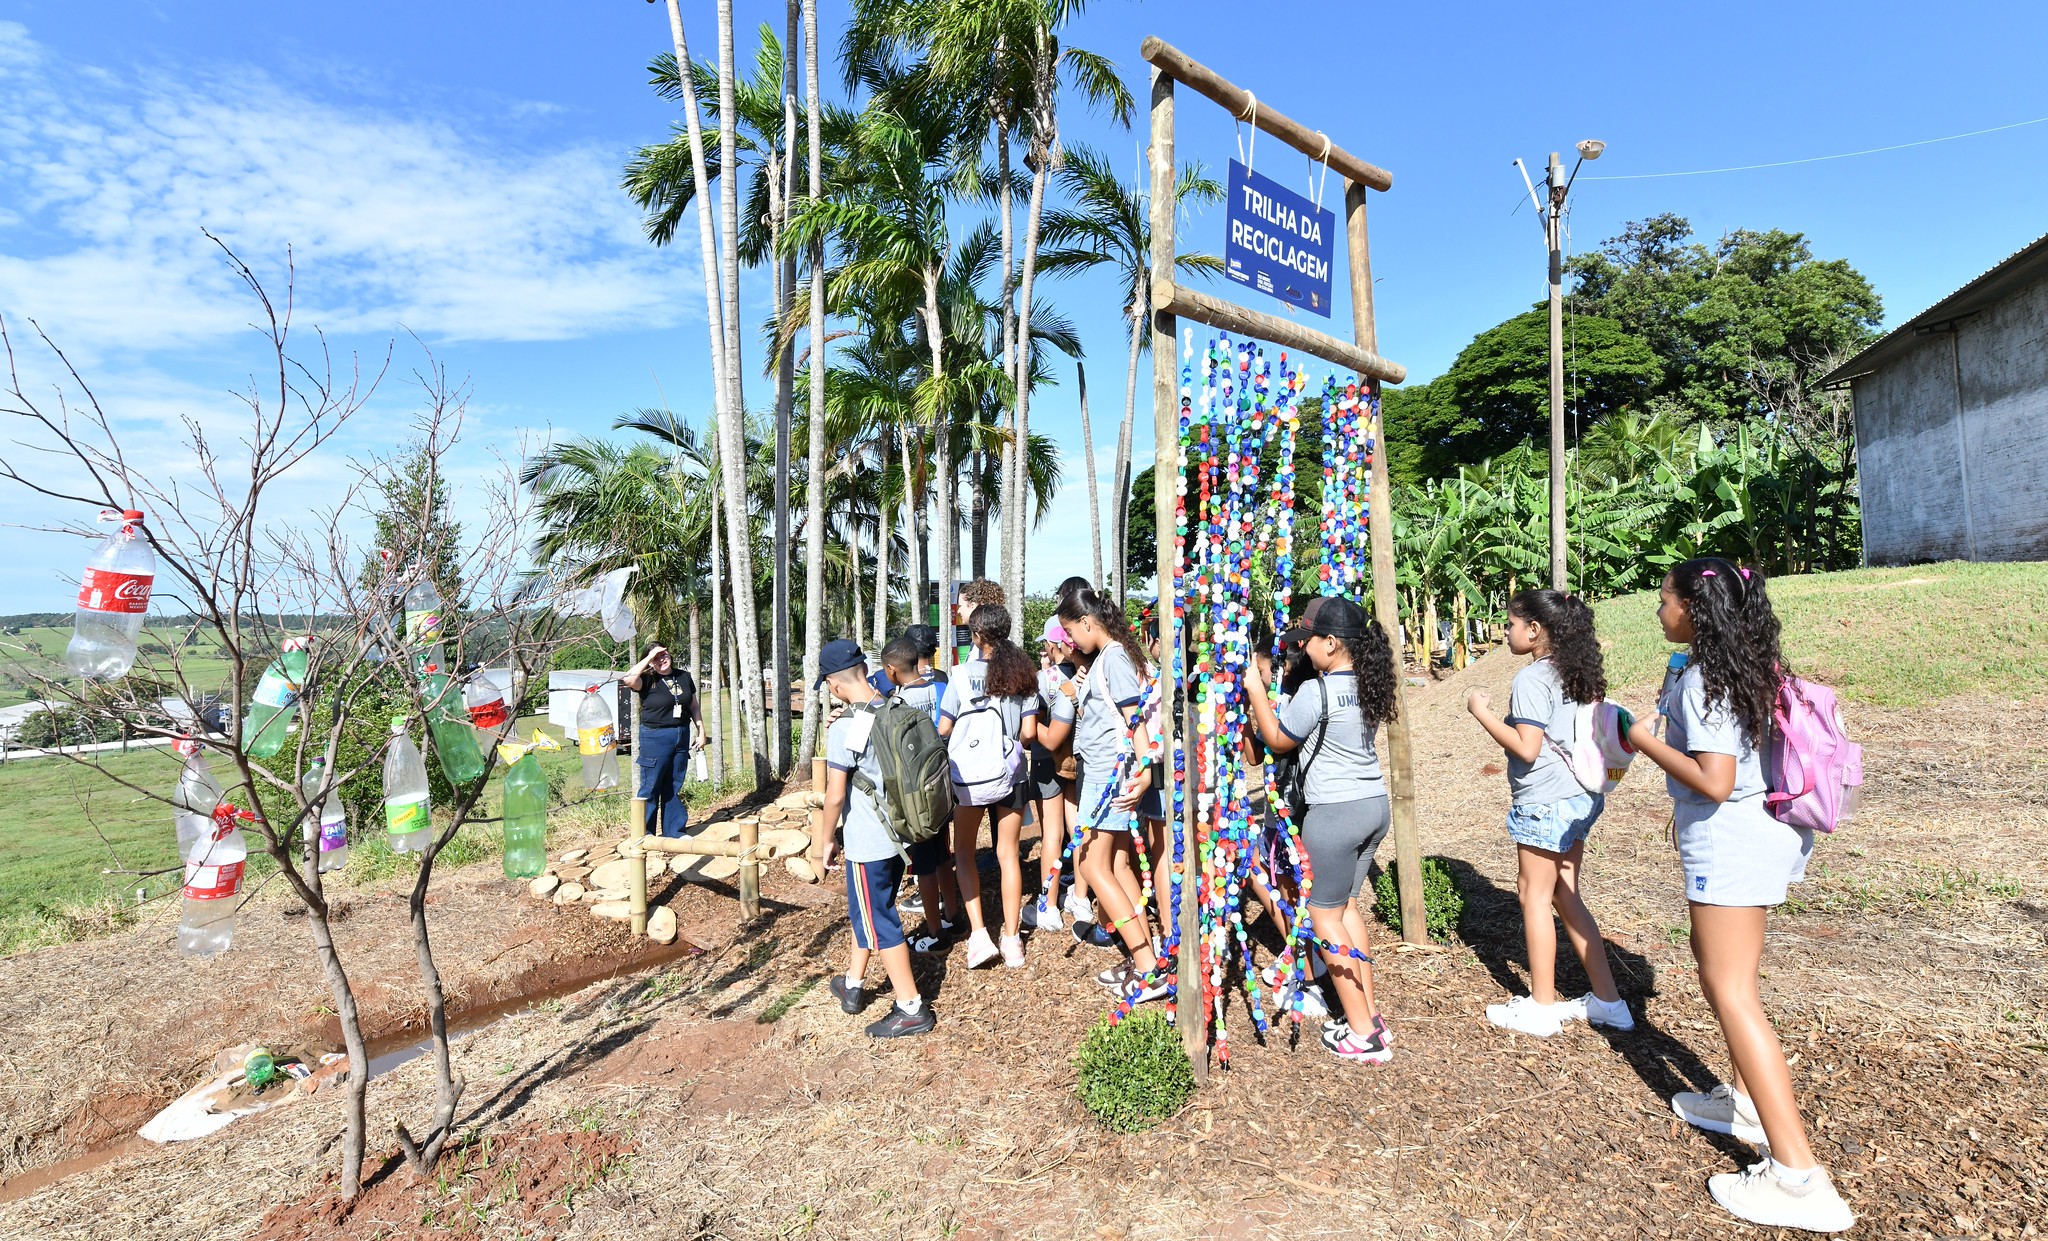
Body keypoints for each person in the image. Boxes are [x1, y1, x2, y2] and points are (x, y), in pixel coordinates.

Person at [1624, 560, 1853, 1232]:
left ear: (1694, 609)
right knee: (1722, 975)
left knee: (1732, 991)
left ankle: (1798, 1178)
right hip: (1755, 836)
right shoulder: (1742, 664)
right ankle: (1747, 1106)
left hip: (1731, 843)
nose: (1658, 610)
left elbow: (1716, 779)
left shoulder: (1706, 679)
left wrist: (1639, 739)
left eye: (1664, 599)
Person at [1465, 589, 1633, 1037]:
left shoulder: (1533, 679)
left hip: (1545, 801)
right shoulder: (1578, 672)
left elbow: (1527, 747)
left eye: (1511, 624)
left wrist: (1480, 712)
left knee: (1533, 896)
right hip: (1579, 796)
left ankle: (1541, 1007)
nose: (1506, 631)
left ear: (1535, 630)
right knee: (1565, 893)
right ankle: (1609, 1002)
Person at [1243, 597, 1396, 1065]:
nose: (1303, 649)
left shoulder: (1318, 691)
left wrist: (1255, 690)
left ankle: (1363, 1033)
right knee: (1346, 909)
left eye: (1308, 640)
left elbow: (1276, 740)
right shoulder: (1367, 684)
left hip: (1334, 813)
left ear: (1331, 643)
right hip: (1373, 805)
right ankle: (1369, 1015)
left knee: (1323, 917)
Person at [809, 638, 935, 1039]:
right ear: (865, 670)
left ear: (834, 684)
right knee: (870, 908)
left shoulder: (846, 726)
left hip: (868, 842)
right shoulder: (893, 706)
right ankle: (853, 983)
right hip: (900, 834)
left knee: (880, 919)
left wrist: (824, 842)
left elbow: (834, 795)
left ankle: (911, 1007)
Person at [1050, 586, 1169, 1006]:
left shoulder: (1114, 656)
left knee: (1091, 863)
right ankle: (1146, 957)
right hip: (1107, 772)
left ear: (1087, 621)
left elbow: (1135, 721)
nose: (1069, 641)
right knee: (1115, 864)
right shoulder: (1107, 657)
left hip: (1109, 776)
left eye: (1070, 631)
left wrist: (1144, 771)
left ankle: (1147, 967)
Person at [937, 604, 1038, 968]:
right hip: (1011, 775)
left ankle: (979, 935)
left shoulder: (960, 676)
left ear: (977, 636)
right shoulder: (1024, 675)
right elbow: (1029, 733)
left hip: (969, 777)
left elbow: (944, 728)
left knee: (964, 851)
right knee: (1008, 854)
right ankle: (1012, 940)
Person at [878, 634, 961, 949]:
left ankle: (935, 932)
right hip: (942, 784)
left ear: (891, 670)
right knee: (942, 856)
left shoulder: (898, 703)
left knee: (924, 865)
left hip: (916, 796)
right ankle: (953, 914)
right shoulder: (940, 687)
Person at [1022, 617, 1087, 934]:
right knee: (1077, 827)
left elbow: (1031, 731)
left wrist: (1033, 729)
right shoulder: (1084, 672)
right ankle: (1081, 897)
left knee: (1052, 833)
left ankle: (1048, 906)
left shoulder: (1043, 678)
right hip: (1075, 761)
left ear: (1055, 643)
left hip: (1047, 761)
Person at [621, 643, 704, 838]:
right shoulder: (647, 679)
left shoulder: (683, 676)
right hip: (655, 737)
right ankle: (644, 834)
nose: (662, 660)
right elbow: (628, 679)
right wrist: (649, 657)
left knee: (673, 785)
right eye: (656, 658)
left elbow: (693, 706)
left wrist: (701, 731)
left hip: (681, 734)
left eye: (664, 654)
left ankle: (674, 831)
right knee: (650, 786)